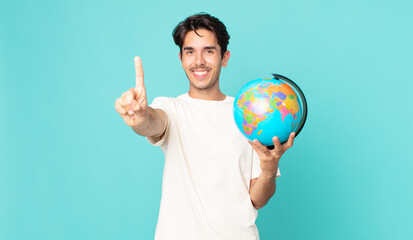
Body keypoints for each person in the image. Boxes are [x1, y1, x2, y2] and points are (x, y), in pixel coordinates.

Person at [115, 13, 295, 240]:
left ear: (224, 57)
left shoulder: (248, 117)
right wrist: (140, 117)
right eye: (190, 52)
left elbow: (257, 200)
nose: (199, 60)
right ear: (181, 58)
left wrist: (269, 169)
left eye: (208, 51)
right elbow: (151, 122)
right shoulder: (171, 108)